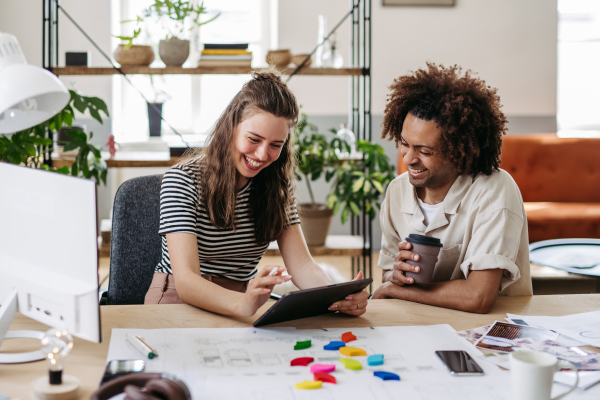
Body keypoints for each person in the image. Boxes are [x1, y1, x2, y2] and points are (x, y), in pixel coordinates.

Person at [144, 70, 369, 317]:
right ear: (231, 127)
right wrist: (243, 304)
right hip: (178, 299)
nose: (262, 155)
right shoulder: (183, 179)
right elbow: (186, 281)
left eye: (275, 145)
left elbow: (303, 266)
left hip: (242, 303)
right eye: (254, 139)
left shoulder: (277, 188)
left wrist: (339, 297)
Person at [372, 63, 532, 313]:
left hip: (491, 333)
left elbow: (478, 297)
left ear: (459, 153)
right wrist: (397, 277)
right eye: (404, 144)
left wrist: (398, 290)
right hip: (420, 323)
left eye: (425, 151)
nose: (408, 159)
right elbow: (387, 275)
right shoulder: (397, 191)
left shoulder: (495, 191)